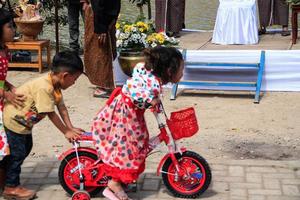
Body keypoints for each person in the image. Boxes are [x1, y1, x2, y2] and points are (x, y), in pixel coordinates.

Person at [92, 46, 184, 200]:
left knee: (139, 142)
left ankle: (121, 179)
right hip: (124, 118)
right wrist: (150, 99)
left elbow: (139, 81)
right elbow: (136, 92)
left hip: (130, 115)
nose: (182, 74)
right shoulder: (151, 83)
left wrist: (153, 102)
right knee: (130, 149)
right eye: (181, 70)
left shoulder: (148, 73)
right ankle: (114, 182)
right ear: (169, 71)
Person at [0, 51, 84, 199]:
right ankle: (10, 187)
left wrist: (70, 128)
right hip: (13, 122)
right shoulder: (45, 87)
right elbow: (51, 113)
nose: (74, 83)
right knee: (17, 154)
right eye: (74, 79)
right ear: (65, 75)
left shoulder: (55, 86)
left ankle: (5, 175)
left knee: (24, 150)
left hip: (23, 125)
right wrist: (65, 132)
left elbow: (62, 108)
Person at [0, 7, 26, 190]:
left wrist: (9, 86)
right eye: (9, 26)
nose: (13, 30)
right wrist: (6, 93)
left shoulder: (5, 50)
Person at [84, 0, 121, 98]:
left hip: (104, 18)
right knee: (101, 51)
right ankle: (102, 86)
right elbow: (98, 5)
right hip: (99, 19)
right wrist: (102, 29)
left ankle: (105, 84)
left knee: (104, 50)